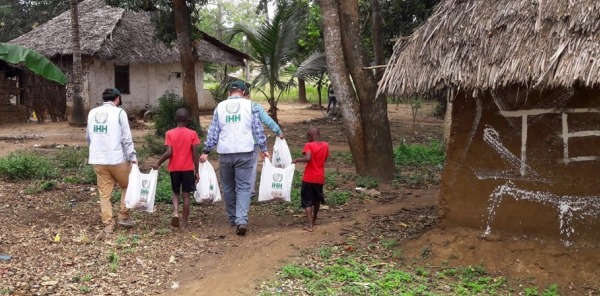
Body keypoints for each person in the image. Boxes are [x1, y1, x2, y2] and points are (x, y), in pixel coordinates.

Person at [200, 80, 270, 236]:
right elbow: (257, 129)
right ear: (244, 93)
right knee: (244, 187)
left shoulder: (220, 107)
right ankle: (241, 220)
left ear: (229, 93)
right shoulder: (250, 106)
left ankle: (232, 218)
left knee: (229, 186)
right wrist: (264, 149)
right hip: (245, 151)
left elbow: (213, 131)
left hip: (225, 153)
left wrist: (206, 151)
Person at [86, 88, 137, 234]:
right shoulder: (120, 113)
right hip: (117, 159)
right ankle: (123, 215)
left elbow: (88, 137)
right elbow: (126, 138)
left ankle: (108, 224)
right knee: (127, 186)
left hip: (98, 159)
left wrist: (96, 151)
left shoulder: (92, 113)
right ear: (118, 99)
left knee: (104, 194)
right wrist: (132, 157)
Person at [152, 108, 200, 230]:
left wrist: (158, 162)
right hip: (188, 169)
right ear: (188, 120)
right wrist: (197, 171)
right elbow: (195, 154)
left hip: (174, 169)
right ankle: (184, 223)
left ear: (175, 120)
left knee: (175, 192)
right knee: (186, 195)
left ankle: (175, 213)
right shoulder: (192, 134)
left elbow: (169, 152)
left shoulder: (170, 133)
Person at [243, 86, 284, 197]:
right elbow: (267, 120)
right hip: (252, 143)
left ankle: (237, 191)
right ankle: (249, 192)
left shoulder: (225, 107)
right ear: (248, 95)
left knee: (236, 167)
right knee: (251, 167)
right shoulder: (254, 106)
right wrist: (278, 131)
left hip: (233, 144)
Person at [292, 127, 330, 232]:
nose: (307, 138)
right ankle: (313, 220)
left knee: (307, 201)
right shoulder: (326, 145)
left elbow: (308, 158)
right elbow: (324, 160)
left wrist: (297, 159)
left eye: (308, 136)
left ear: (312, 136)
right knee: (317, 200)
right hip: (319, 177)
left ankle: (310, 226)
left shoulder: (309, 145)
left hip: (309, 178)